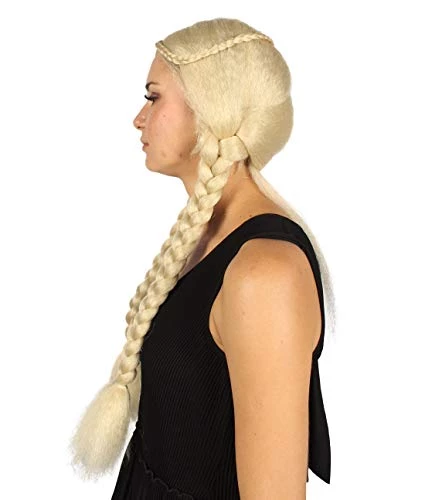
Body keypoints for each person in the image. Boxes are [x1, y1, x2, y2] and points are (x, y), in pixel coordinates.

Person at [69, 17, 336, 499]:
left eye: (153, 97)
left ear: (210, 108)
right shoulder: (208, 238)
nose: (139, 118)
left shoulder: (265, 272)